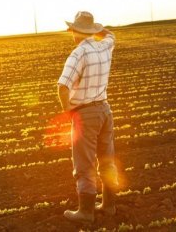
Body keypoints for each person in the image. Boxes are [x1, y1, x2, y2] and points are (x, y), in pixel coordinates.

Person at [57, 11, 119, 224]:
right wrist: (96, 29)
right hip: (105, 111)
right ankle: (109, 206)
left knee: (84, 164)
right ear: (91, 30)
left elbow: (63, 86)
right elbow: (111, 35)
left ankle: (86, 212)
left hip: (85, 114)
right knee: (107, 160)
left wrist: (68, 112)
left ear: (74, 31)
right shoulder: (105, 45)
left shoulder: (78, 53)